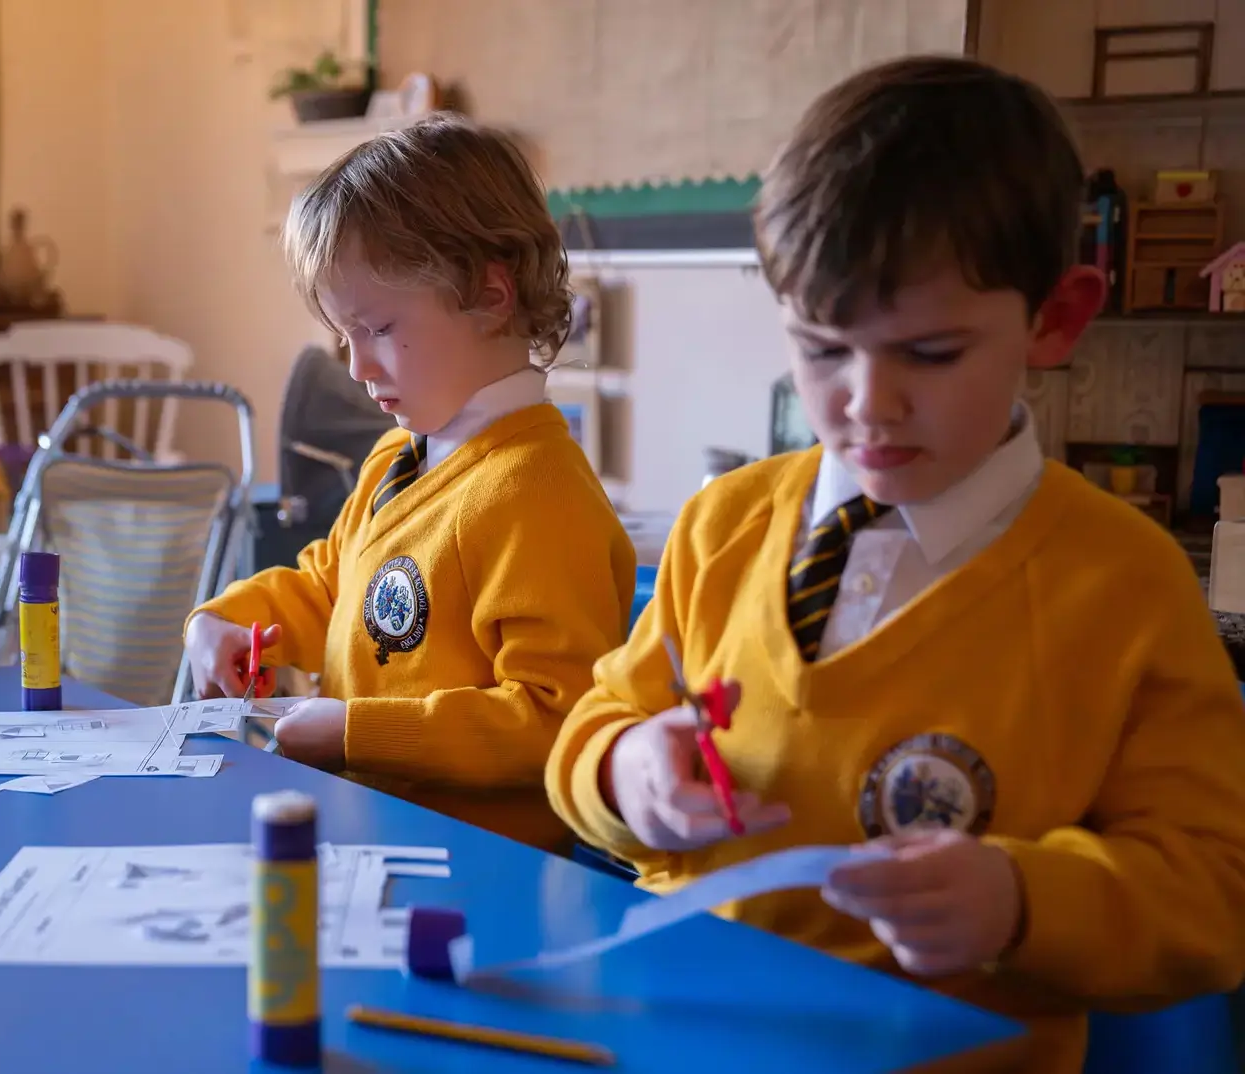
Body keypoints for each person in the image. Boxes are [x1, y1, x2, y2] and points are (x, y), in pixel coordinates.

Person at [545, 55, 1245, 1072]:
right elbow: (594, 729)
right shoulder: (723, 526)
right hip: (669, 1035)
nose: (866, 405)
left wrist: (1018, 901)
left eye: (929, 353)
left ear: (1054, 319)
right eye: (822, 349)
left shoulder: (1126, 585)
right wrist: (625, 773)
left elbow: (1210, 896)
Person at [187, 114, 636, 854]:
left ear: (490, 295)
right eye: (344, 336)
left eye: (378, 327)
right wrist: (227, 621)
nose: (357, 367)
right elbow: (329, 586)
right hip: (373, 840)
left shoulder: (537, 493)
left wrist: (358, 731)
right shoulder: (398, 457)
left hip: (480, 873)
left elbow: (557, 719)